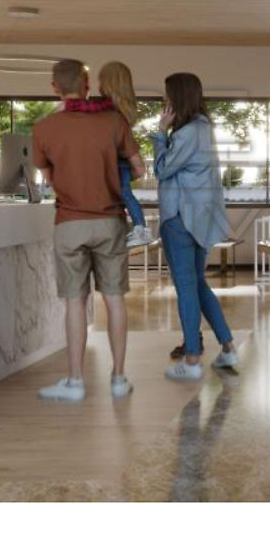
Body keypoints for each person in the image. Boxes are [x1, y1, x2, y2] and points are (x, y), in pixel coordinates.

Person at [31, 58, 145, 402]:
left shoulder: (44, 128)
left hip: (69, 223)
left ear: (54, 87)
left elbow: (48, 179)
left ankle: (75, 381)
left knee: (75, 303)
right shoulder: (114, 121)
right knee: (115, 299)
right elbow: (139, 169)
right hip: (110, 222)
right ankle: (119, 378)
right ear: (87, 86)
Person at [154, 71, 239, 378]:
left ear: (177, 98)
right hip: (201, 219)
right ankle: (228, 348)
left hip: (180, 218)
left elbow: (162, 169)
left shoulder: (186, 134)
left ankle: (191, 360)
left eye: (167, 95)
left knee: (187, 288)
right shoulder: (205, 129)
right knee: (198, 285)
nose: (164, 101)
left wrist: (160, 133)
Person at [98, 61, 154, 248]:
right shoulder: (122, 110)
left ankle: (141, 228)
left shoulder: (107, 111)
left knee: (125, 194)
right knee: (125, 194)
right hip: (121, 161)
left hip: (116, 162)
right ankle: (140, 227)